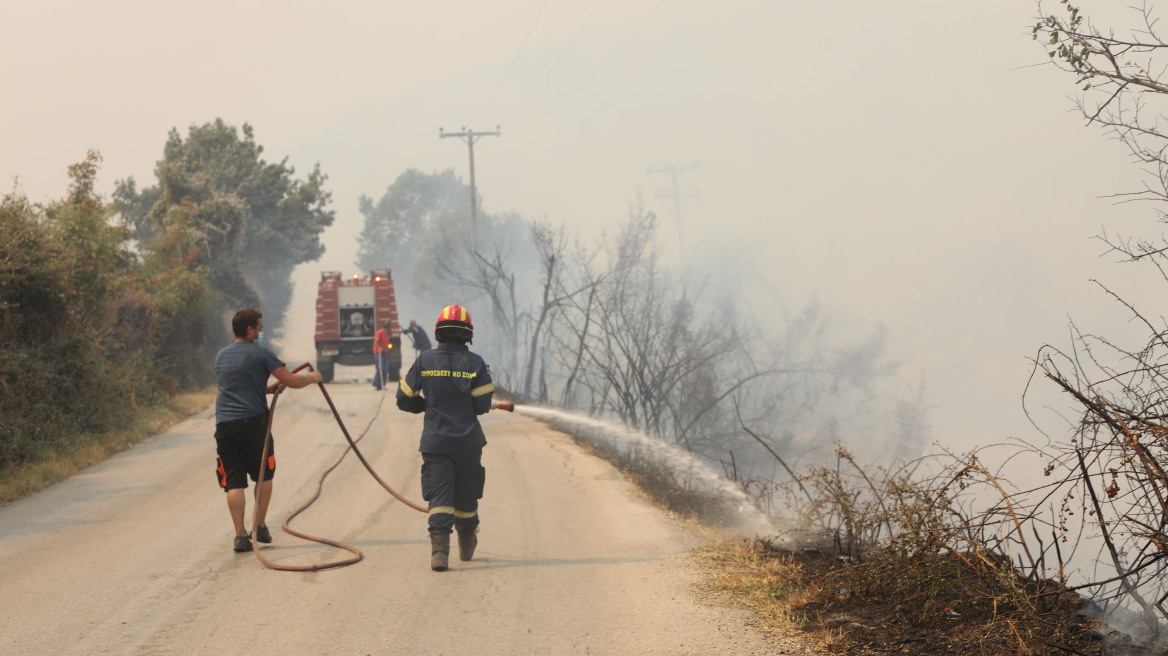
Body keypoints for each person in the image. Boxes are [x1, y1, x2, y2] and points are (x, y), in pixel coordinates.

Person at [214, 308, 324, 553]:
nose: (262, 332)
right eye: (259, 329)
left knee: (234, 482)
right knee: (264, 475)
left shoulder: (221, 356)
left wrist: (268, 388)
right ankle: (260, 526)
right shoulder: (261, 352)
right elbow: (294, 380)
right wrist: (313, 378)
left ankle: (240, 536)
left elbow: (236, 387)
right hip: (254, 424)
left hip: (225, 425)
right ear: (250, 330)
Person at [396, 303, 495, 571]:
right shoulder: (475, 363)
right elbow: (482, 405)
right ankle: (466, 541)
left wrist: (424, 406)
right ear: (467, 334)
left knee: (439, 494)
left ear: (438, 332)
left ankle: (439, 552)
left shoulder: (424, 361)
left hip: (436, 441)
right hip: (468, 442)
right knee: (466, 495)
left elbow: (404, 400)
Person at [372, 321, 391, 390]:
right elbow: (375, 342)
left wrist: (387, 349)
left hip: (384, 354)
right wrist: (379, 348)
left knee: (385, 370)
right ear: (387, 327)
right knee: (380, 368)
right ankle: (376, 383)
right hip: (378, 353)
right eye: (389, 327)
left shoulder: (386, 335)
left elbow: (387, 344)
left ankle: (382, 385)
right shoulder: (379, 333)